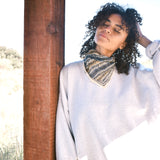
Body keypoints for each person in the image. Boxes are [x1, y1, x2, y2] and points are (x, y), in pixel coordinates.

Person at [56, 3, 160, 160]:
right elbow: (64, 135)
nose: (108, 29)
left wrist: (145, 41)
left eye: (117, 30)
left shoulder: (139, 76)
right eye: (105, 24)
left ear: (124, 43)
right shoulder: (70, 74)